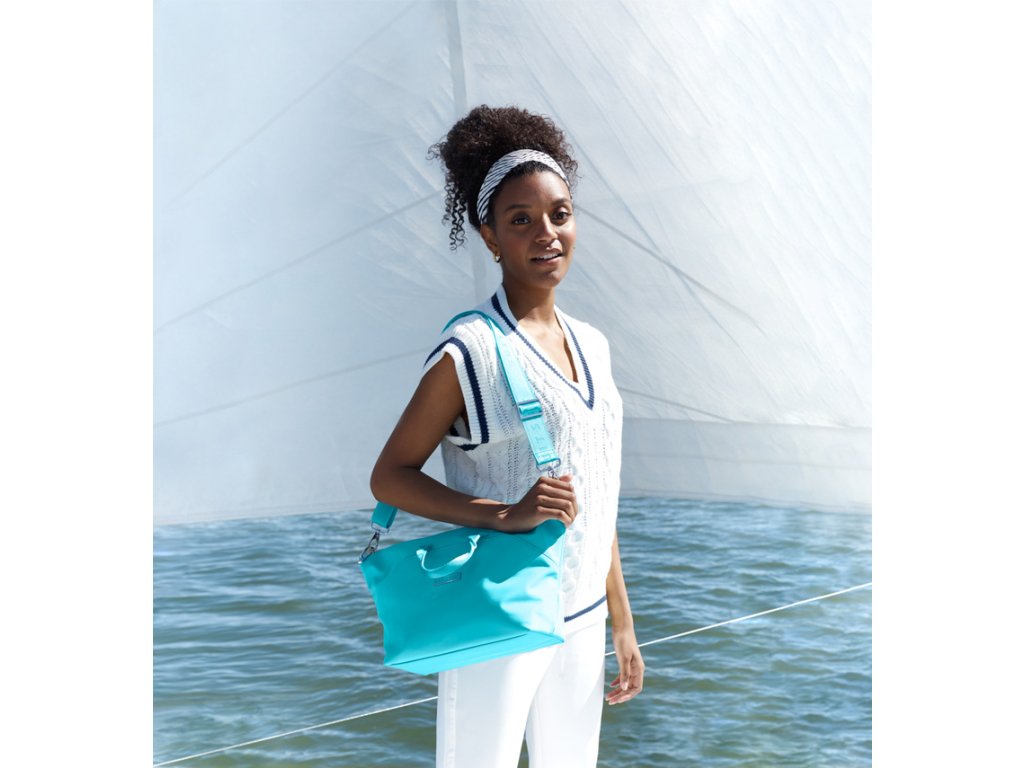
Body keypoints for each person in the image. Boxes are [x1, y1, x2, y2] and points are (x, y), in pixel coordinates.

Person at [370, 104, 644, 768]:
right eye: (521, 220)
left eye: (559, 213)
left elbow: (595, 487)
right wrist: (503, 514)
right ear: (490, 236)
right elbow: (390, 476)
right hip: (498, 617)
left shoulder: (595, 345)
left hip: (583, 619)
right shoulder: (469, 349)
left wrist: (623, 622)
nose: (546, 233)